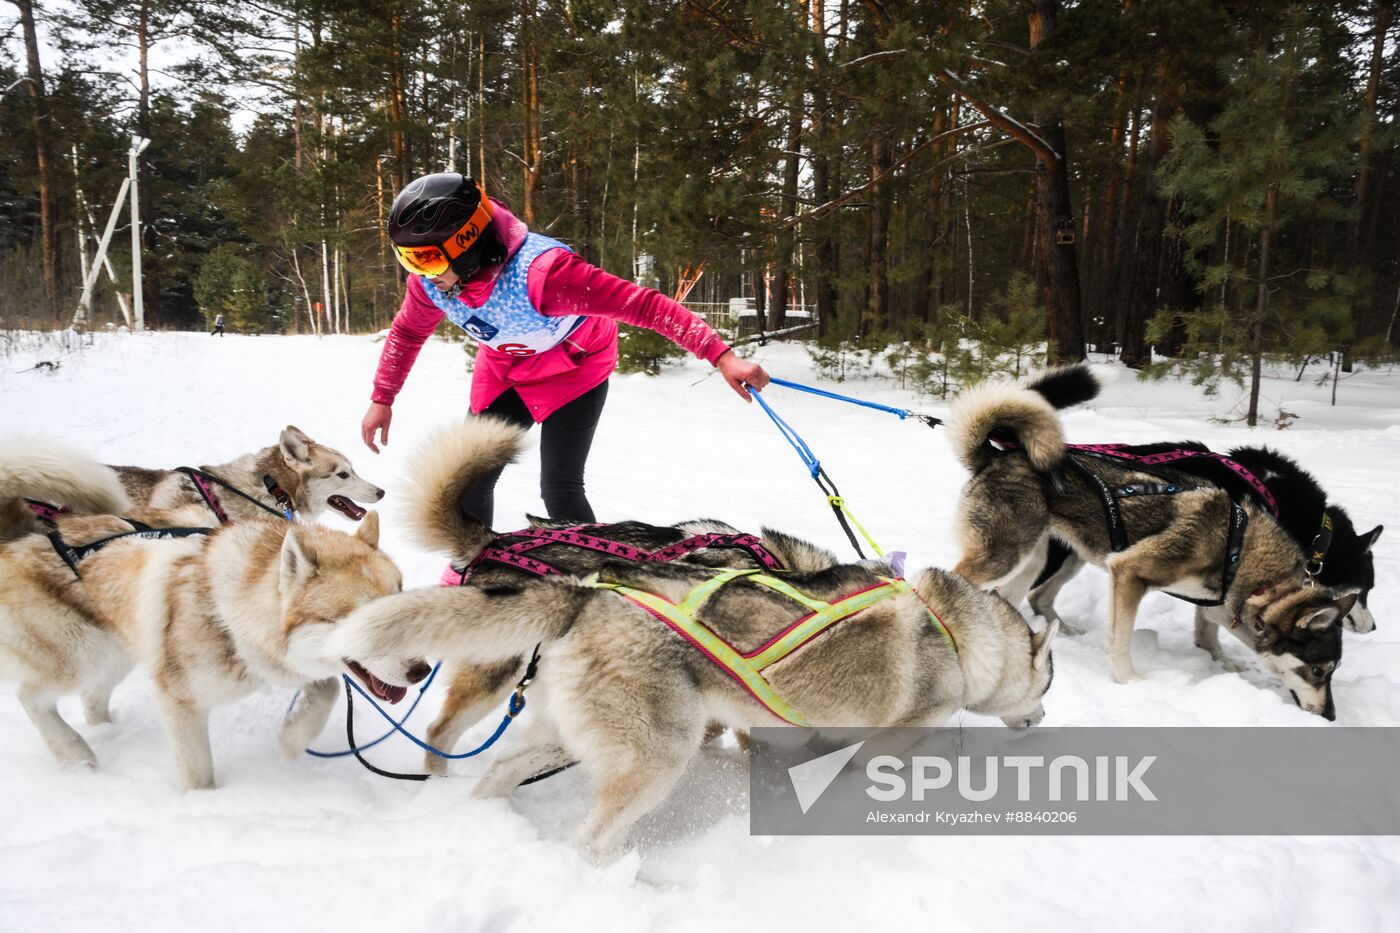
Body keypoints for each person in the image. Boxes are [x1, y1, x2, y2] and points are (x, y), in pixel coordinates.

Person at [360, 172, 769, 527]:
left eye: (427, 260)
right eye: (409, 260)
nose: (421, 275)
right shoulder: (431, 285)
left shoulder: (548, 274)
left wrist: (721, 356)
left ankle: (591, 576)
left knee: (560, 488)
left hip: (575, 370)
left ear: (467, 244)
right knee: (469, 479)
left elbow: (645, 306)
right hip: (506, 370)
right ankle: (473, 572)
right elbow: (407, 333)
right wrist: (382, 398)